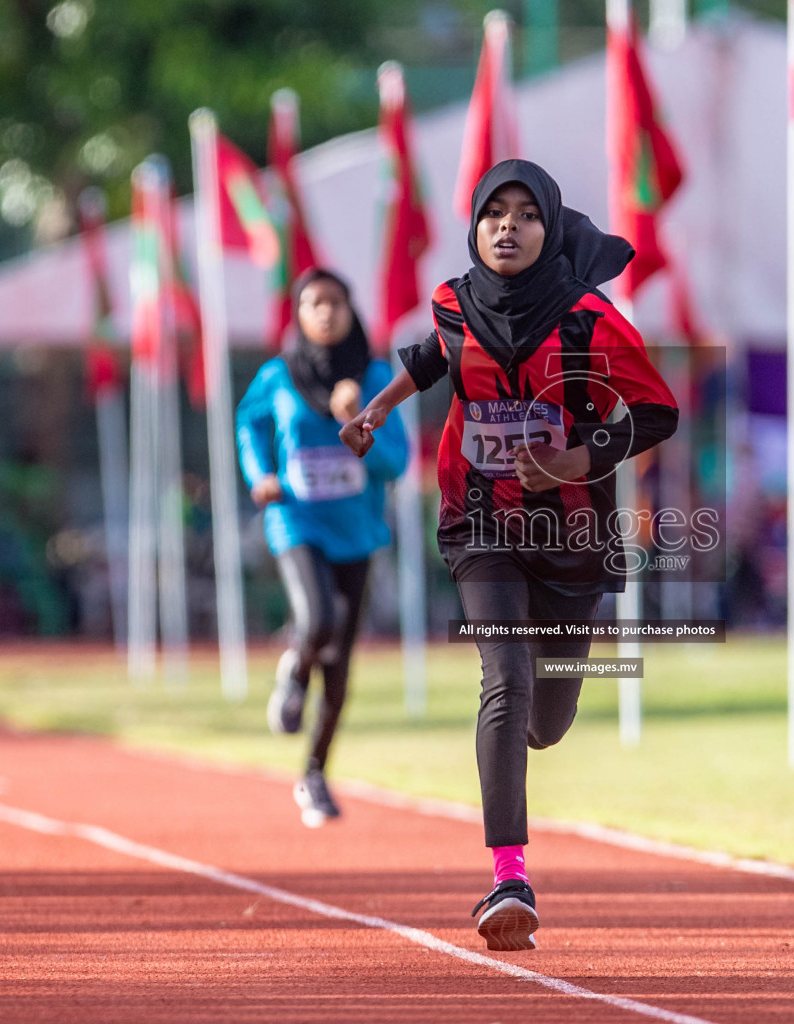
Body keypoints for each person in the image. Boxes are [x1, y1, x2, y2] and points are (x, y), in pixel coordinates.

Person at [339, 160, 677, 952]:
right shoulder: (456, 304)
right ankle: (508, 875)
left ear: (550, 230)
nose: (508, 227)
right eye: (495, 212)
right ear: (476, 226)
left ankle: (521, 737)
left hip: (569, 540)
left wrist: (574, 458)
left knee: (545, 722)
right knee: (507, 678)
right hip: (478, 525)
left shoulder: (589, 318)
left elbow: (656, 410)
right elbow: (430, 359)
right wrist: (379, 411)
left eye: (527, 215)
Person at [236, 268, 409, 826]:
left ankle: (314, 773)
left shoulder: (376, 376)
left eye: (336, 302)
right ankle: (293, 667)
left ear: (351, 311)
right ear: (299, 314)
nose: (326, 312)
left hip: (356, 530)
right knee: (317, 619)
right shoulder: (277, 375)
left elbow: (396, 463)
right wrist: (260, 472)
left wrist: (355, 420)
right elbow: (248, 425)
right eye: (314, 303)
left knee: (340, 663)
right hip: (295, 520)